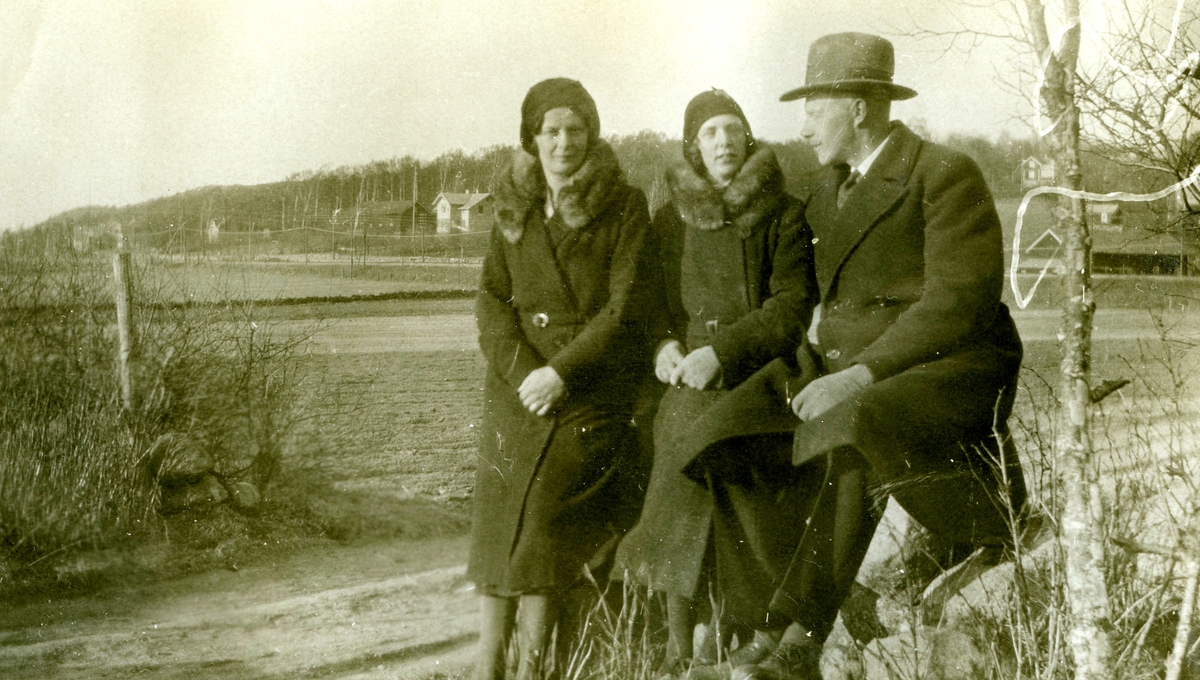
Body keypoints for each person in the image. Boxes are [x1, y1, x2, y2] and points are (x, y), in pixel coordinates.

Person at [679, 34, 1027, 680]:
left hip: (947, 365)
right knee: (724, 431)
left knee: (852, 422)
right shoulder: (820, 192)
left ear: (860, 109)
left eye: (815, 108)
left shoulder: (945, 173)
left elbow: (957, 304)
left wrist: (858, 376)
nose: (804, 125)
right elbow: (783, 289)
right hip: (845, 362)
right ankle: (758, 626)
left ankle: (800, 641)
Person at [613, 89, 818, 678]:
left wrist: (721, 352)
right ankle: (683, 643)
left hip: (760, 372)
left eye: (733, 130)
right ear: (693, 147)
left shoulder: (783, 212)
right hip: (689, 376)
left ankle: (743, 631)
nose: (724, 142)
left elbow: (792, 305)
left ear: (748, 138)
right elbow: (649, 302)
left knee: (737, 485)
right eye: (711, 134)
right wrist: (663, 345)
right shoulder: (670, 219)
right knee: (675, 464)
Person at [468, 77, 654, 680]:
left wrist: (560, 373)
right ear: (532, 138)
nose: (563, 142)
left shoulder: (622, 204)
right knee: (498, 510)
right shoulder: (513, 205)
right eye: (551, 131)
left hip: (588, 386)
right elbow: (493, 299)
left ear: (591, 136)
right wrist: (527, 372)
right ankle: (485, 665)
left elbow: (623, 310)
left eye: (576, 130)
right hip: (518, 383)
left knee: (545, 507)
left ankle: (531, 667)